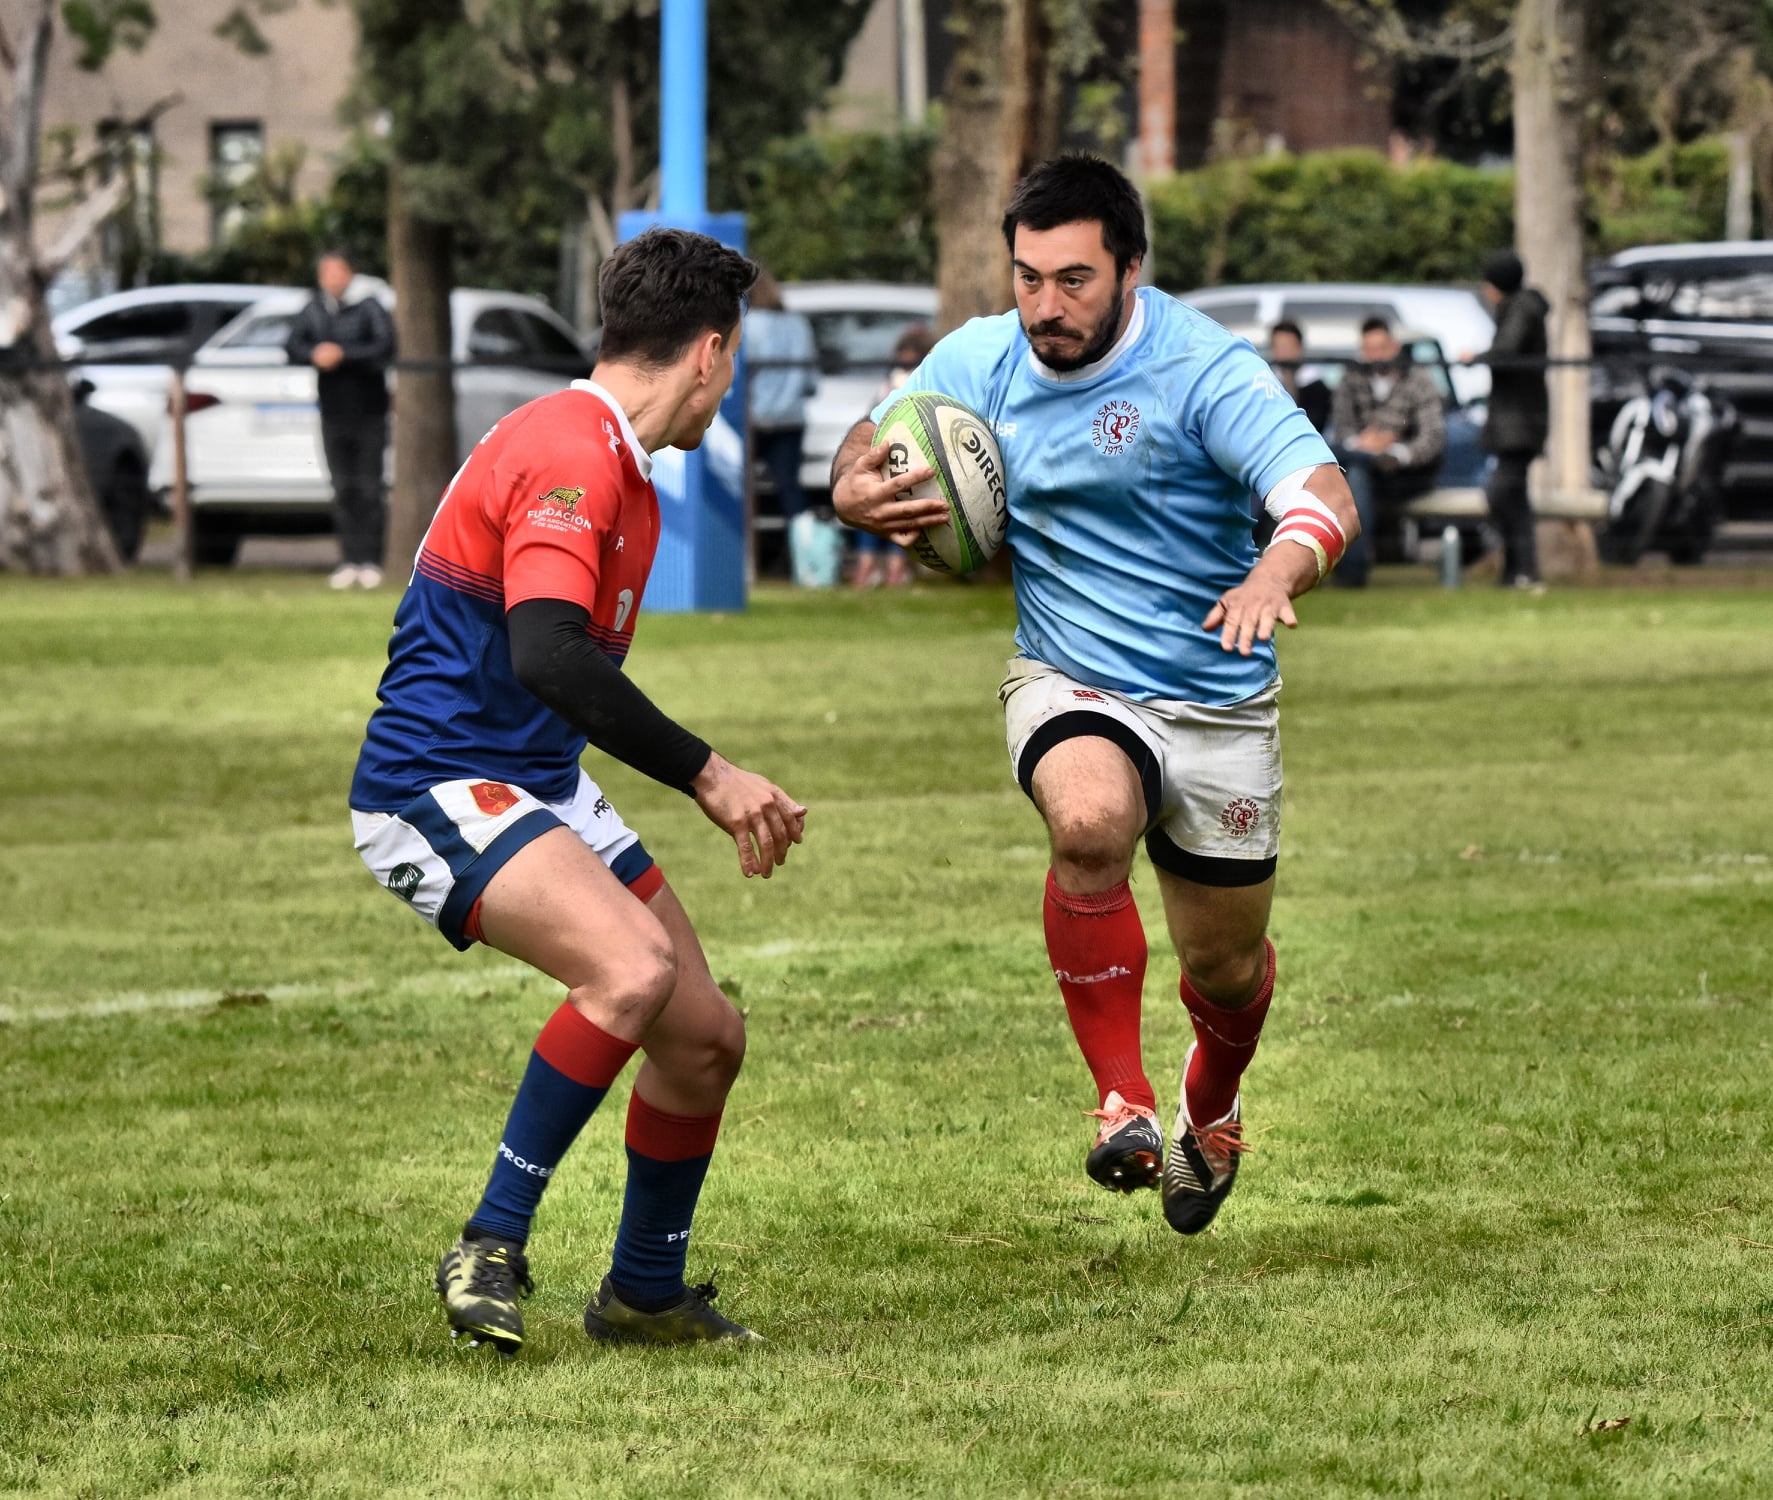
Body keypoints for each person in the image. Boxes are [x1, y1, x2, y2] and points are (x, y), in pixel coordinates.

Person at [832, 155, 1358, 1237]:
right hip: (1070, 674)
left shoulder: (1202, 368)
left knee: (1226, 965)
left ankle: (1210, 1102)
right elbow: (879, 432)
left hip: (1215, 696)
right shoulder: (984, 357)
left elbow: (1321, 491)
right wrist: (853, 485)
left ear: (1129, 268)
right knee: (1087, 824)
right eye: (1027, 278)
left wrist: (1275, 570)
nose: (1045, 307)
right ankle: (1123, 1103)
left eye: (1073, 280)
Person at [348, 228, 806, 1356]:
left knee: (703, 1037)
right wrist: (710, 773)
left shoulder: (615, 461)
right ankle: (490, 1244)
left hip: (535, 779)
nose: (730, 379)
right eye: (734, 356)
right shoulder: (572, 448)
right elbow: (547, 655)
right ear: (709, 352)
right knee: (633, 970)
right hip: (434, 783)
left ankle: (645, 1292)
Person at [286, 250, 396, 589]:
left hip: (369, 412)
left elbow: (384, 346)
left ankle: (372, 562)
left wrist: (343, 355)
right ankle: (349, 559)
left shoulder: (369, 306)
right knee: (343, 487)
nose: (332, 279)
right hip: (332, 412)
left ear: (349, 273)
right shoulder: (314, 308)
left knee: (369, 487)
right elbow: (292, 345)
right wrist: (314, 354)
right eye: (326, 273)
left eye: (338, 271)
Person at [1329, 316, 1445, 587]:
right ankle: (1353, 572)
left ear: (1394, 347)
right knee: (1357, 471)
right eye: (1369, 350)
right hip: (1363, 468)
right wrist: (1365, 444)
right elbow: (1342, 428)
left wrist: (1394, 450)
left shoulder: (1420, 379)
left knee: (1353, 472)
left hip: (1408, 473)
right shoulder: (1351, 379)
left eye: (1381, 348)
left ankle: (1351, 574)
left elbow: (1433, 438)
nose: (1376, 356)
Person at [741, 269, 822, 580]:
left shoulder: (747, 327)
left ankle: (745, 567)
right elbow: (812, 383)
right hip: (791, 418)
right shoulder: (798, 325)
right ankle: (809, 569)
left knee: (742, 490)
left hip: (753, 420)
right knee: (790, 490)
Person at [1476, 250, 1549, 589]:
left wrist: (1478, 358)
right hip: (1517, 421)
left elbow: (1507, 351)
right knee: (1512, 496)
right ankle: (1518, 572)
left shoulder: (1520, 309)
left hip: (1519, 423)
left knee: (1503, 493)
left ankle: (1523, 570)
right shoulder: (1521, 308)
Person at [852, 323, 933, 588]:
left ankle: (867, 563)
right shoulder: (924, 377)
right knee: (901, 509)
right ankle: (895, 565)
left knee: (874, 507)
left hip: (883, 453)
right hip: (910, 455)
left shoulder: (890, 380)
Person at [1267, 320, 1331, 435]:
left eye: (1288, 346)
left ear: (1300, 347)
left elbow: (1318, 420)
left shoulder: (1316, 384)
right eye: (1279, 346)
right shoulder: (1264, 381)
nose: (1284, 352)